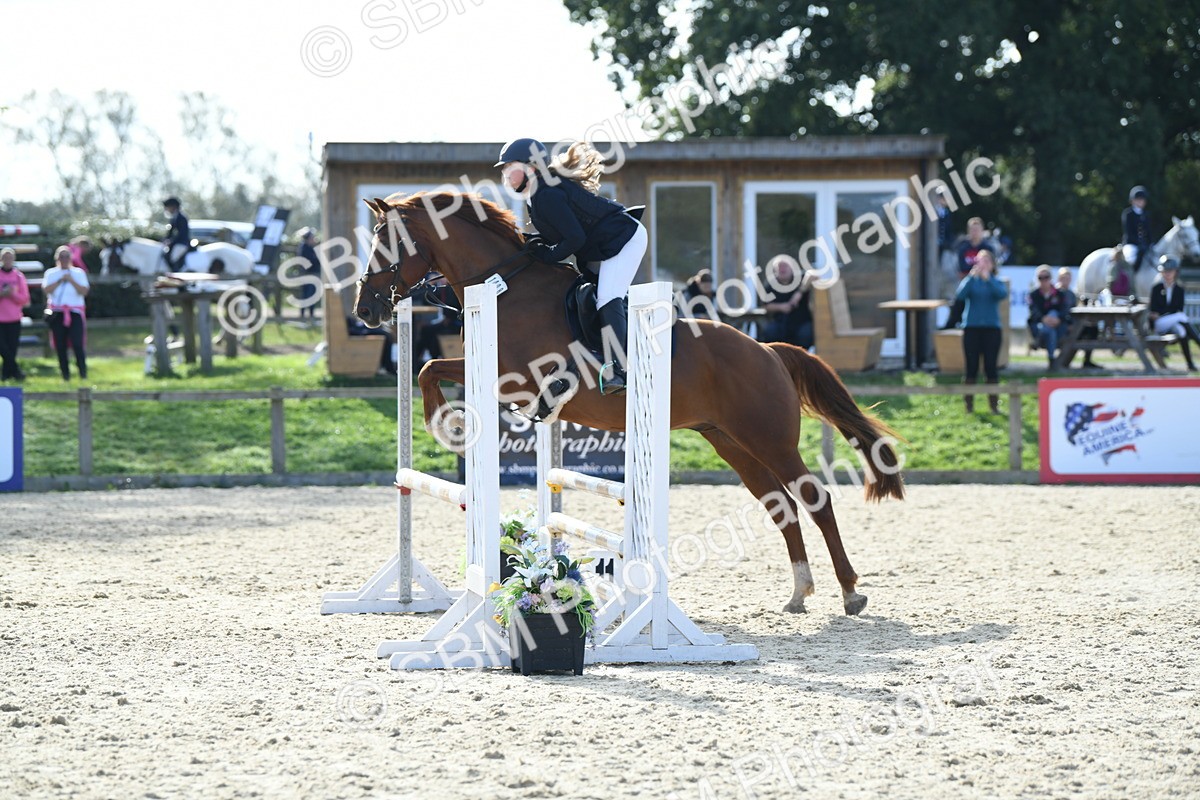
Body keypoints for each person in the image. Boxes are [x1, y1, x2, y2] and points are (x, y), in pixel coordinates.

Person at [495, 138, 647, 394]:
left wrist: (547, 255)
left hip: (623, 239)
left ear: (531, 167)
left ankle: (621, 370)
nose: (505, 175)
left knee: (607, 297)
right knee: (592, 295)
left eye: (510, 167)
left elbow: (575, 239)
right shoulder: (536, 195)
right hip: (600, 246)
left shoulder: (547, 195)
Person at [955, 249, 1006, 413]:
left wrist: (988, 279)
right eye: (979, 261)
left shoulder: (996, 281)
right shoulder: (971, 281)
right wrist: (971, 277)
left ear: (991, 264)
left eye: (985, 261)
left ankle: (993, 405)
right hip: (972, 328)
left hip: (991, 329)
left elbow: (1001, 294)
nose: (981, 264)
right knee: (971, 367)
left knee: (991, 367)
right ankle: (968, 406)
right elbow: (960, 295)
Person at [43, 245, 90, 380]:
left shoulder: (78, 273)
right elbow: (47, 290)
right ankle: (65, 375)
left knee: (77, 343)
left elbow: (84, 291)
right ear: (57, 258)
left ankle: (83, 373)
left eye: (66, 256)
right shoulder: (51, 273)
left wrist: (71, 280)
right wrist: (60, 280)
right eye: (61, 257)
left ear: (71, 258)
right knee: (60, 345)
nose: (64, 259)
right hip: (57, 313)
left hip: (74, 312)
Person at [1148, 256, 1200, 371]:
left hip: (1173, 321)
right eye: (1165, 271)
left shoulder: (1179, 290)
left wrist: (1165, 312)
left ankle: (1190, 364)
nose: (1168, 274)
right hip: (1159, 324)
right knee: (1182, 317)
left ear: (1176, 272)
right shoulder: (1156, 288)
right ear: (1161, 272)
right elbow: (1154, 309)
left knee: (1182, 331)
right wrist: (1161, 313)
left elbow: (1178, 308)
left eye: (1170, 271)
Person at [942, 217, 995, 329]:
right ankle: (950, 326)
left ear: (982, 231)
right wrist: (974, 272)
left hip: (985, 284)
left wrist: (978, 272)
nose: (974, 233)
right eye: (972, 230)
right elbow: (962, 269)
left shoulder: (988, 248)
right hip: (968, 282)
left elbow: (991, 268)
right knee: (959, 300)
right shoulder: (963, 248)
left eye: (977, 230)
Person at [759, 259, 814, 349]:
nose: (782, 269)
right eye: (780, 267)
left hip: (802, 322)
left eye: (785, 266)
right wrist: (781, 307)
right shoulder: (771, 284)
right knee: (770, 332)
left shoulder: (800, 278)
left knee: (806, 334)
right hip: (781, 322)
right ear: (775, 270)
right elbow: (766, 306)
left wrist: (799, 293)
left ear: (792, 268)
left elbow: (813, 274)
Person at [1027, 265, 1070, 368]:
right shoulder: (1034, 295)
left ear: (1050, 278)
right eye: (1040, 278)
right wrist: (1043, 319)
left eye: (1046, 277)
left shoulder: (1060, 294)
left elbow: (1065, 311)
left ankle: (1039, 340)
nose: (1043, 280)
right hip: (1039, 325)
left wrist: (1058, 319)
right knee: (1050, 329)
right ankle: (1052, 359)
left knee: (1053, 314)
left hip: (1058, 327)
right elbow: (1033, 312)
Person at [0, 247, 31, 382]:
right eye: (5, 258)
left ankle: (6, 376)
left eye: (10, 258)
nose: (7, 261)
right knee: (3, 348)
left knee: (12, 349)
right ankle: (17, 372)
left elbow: (24, 299)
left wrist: (12, 294)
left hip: (14, 318)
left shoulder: (18, 276)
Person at [1121, 186, 1152, 273]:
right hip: (1131, 244)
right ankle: (1129, 279)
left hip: (1144, 245)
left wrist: (1150, 243)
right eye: (1138, 199)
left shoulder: (1146, 214)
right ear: (1132, 201)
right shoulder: (1128, 214)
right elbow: (1128, 232)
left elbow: (1148, 231)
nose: (1140, 201)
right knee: (1130, 259)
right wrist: (1139, 243)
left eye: (1142, 199)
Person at [296, 228, 321, 323]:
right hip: (307, 275)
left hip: (311, 275)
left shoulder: (309, 247)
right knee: (306, 295)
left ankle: (310, 316)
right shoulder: (304, 248)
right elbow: (311, 261)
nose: (314, 239)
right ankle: (303, 316)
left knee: (311, 295)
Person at [162, 197, 190, 271]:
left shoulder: (182, 218)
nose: (167, 210)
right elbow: (170, 232)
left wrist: (171, 241)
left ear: (173, 207)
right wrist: (165, 239)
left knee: (172, 258)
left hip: (182, 243)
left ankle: (176, 273)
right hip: (176, 242)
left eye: (168, 207)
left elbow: (181, 233)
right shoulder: (173, 218)